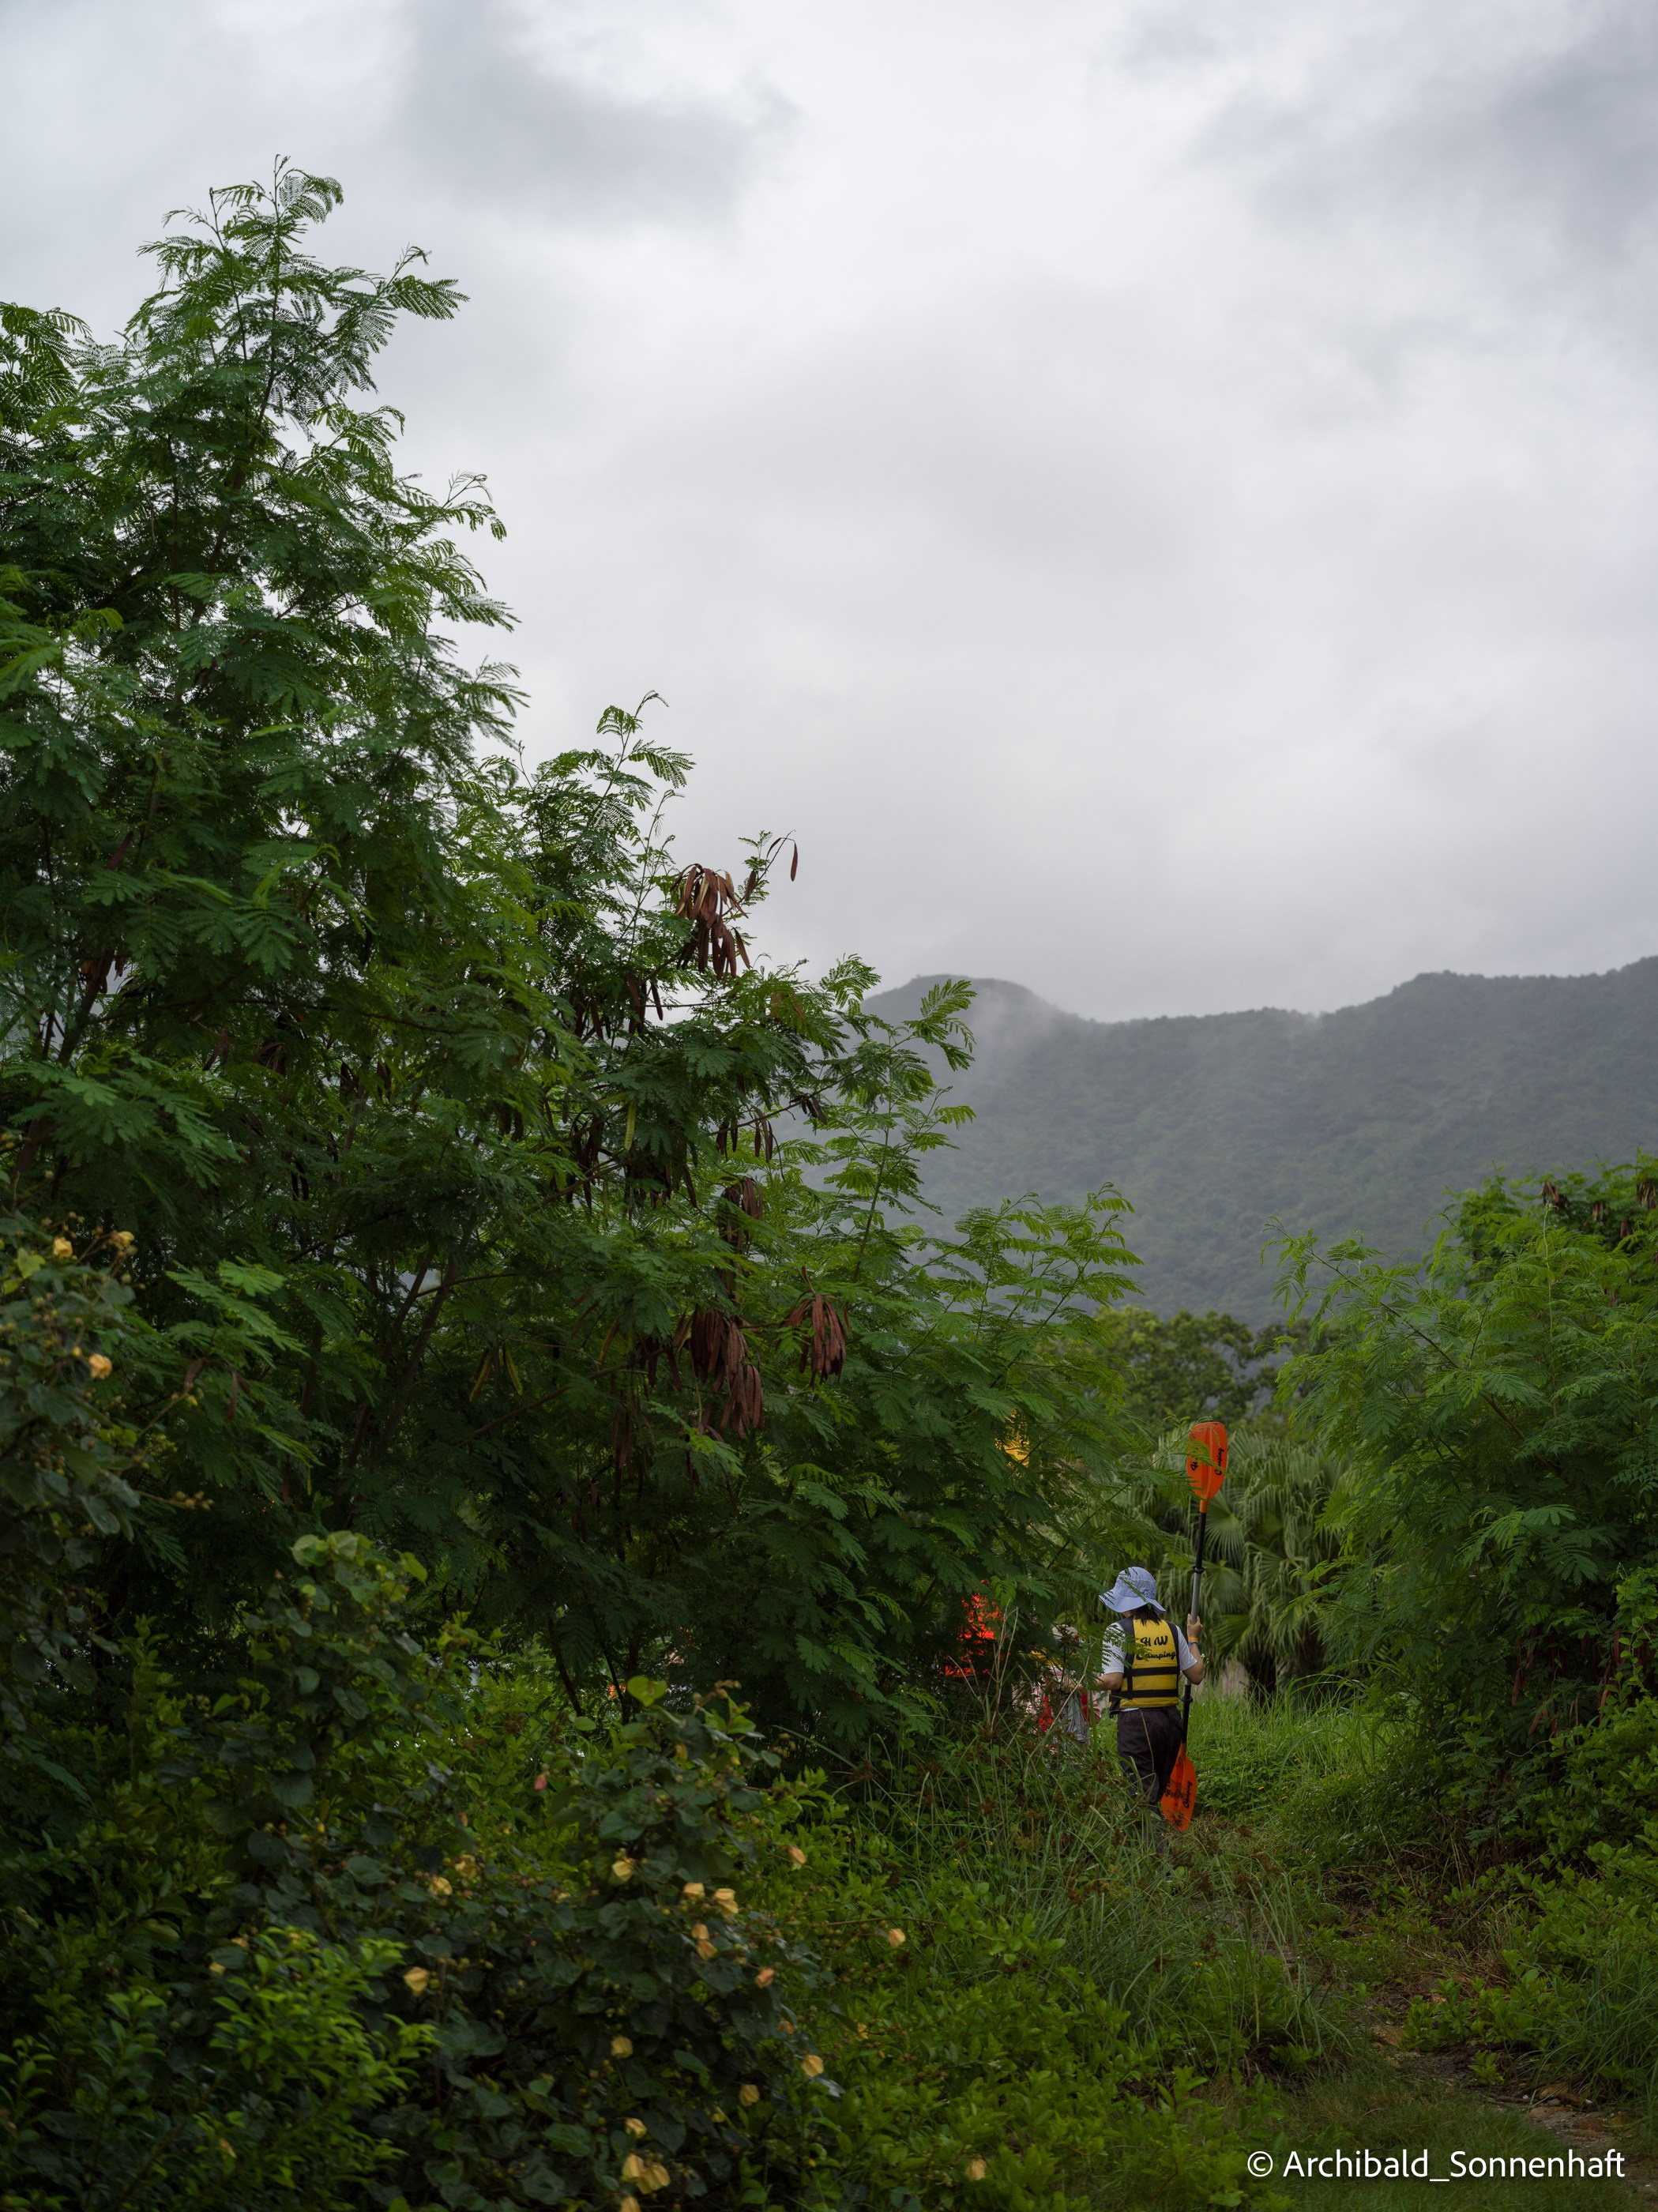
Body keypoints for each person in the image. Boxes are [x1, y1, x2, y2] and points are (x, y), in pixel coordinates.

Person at [1100, 1566, 1204, 1823]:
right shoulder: (1172, 1630)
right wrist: (1193, 1638)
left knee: (1140, 1797)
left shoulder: (1118, 1630)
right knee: (1152, 1797)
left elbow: (1113, 1680)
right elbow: (1197, 1675)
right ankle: (1149, 1853)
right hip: (1170, 1722)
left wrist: (1081, 1682)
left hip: (1136, 1723)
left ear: (1125, 1601)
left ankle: (1154, 1857)